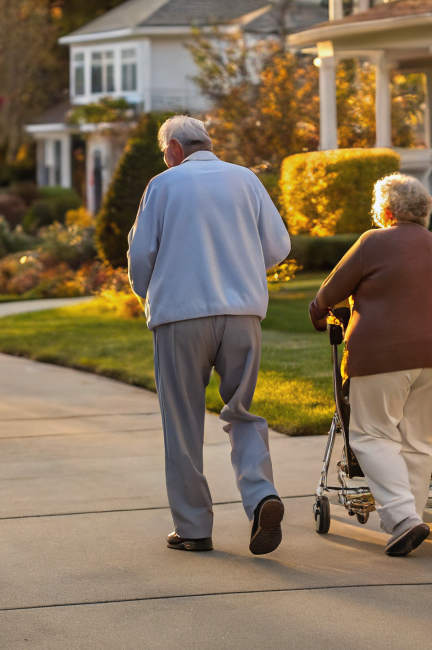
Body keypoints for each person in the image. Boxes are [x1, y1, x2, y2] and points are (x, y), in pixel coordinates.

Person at [127, 115, 293, 555]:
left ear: (176, 149)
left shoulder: (163, 185)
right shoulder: (245, 179)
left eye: (166, 154)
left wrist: (150, 296)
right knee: (242, 412)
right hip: (242, 315)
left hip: (180, 317)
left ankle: (194, 528)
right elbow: (278, 247)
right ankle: (261, 497)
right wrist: (241, 271)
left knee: (182, 424)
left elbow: (141, 255)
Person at [308, 172, 432, 557]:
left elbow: (329, 292)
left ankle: (403, 518)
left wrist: (319, 310)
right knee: (419, 438)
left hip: (382, 355)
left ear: (387, 210)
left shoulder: (373, 242)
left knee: (371, 435)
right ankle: (411, 517)